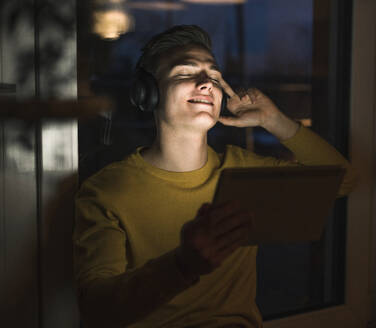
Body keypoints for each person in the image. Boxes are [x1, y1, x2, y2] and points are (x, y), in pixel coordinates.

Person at [73, 25, 357, 328]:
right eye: (185, 72)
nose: (206, 83)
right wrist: (183, 265)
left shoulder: (243, 172)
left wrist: (273, 120)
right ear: (148, 93)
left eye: (214, 75)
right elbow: (96, 308)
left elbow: (343, 181)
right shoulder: (107, 191)